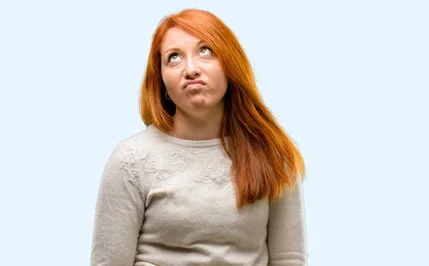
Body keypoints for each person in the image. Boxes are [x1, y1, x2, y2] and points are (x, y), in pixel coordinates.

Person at [90, 8, 307, 266]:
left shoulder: (272, 154)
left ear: (230, 65)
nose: (191, 69)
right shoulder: (130, 160)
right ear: (162, 83)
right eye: (174, 58)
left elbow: (288, 259)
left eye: (205, 51)